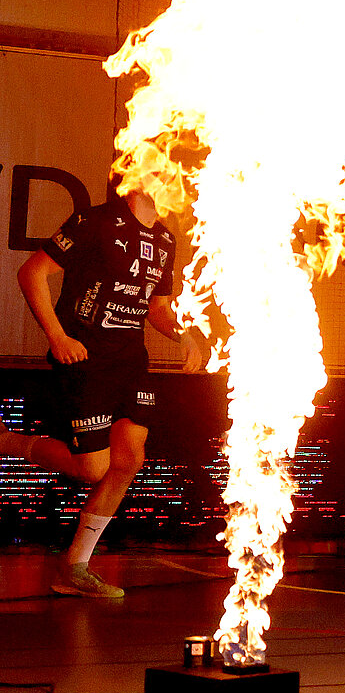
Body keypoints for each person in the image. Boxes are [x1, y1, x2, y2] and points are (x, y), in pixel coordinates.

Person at [0, 183, 204, 597]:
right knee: (92, 468)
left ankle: (75, 568)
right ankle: (6, 442)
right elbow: (32, 272)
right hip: (84, 357)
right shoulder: (95, 221)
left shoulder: (165, 239)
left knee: (128, 460)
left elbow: (157, 308)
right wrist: (57, 336)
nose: (183, 192)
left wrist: (184, 336)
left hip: (130, 361)